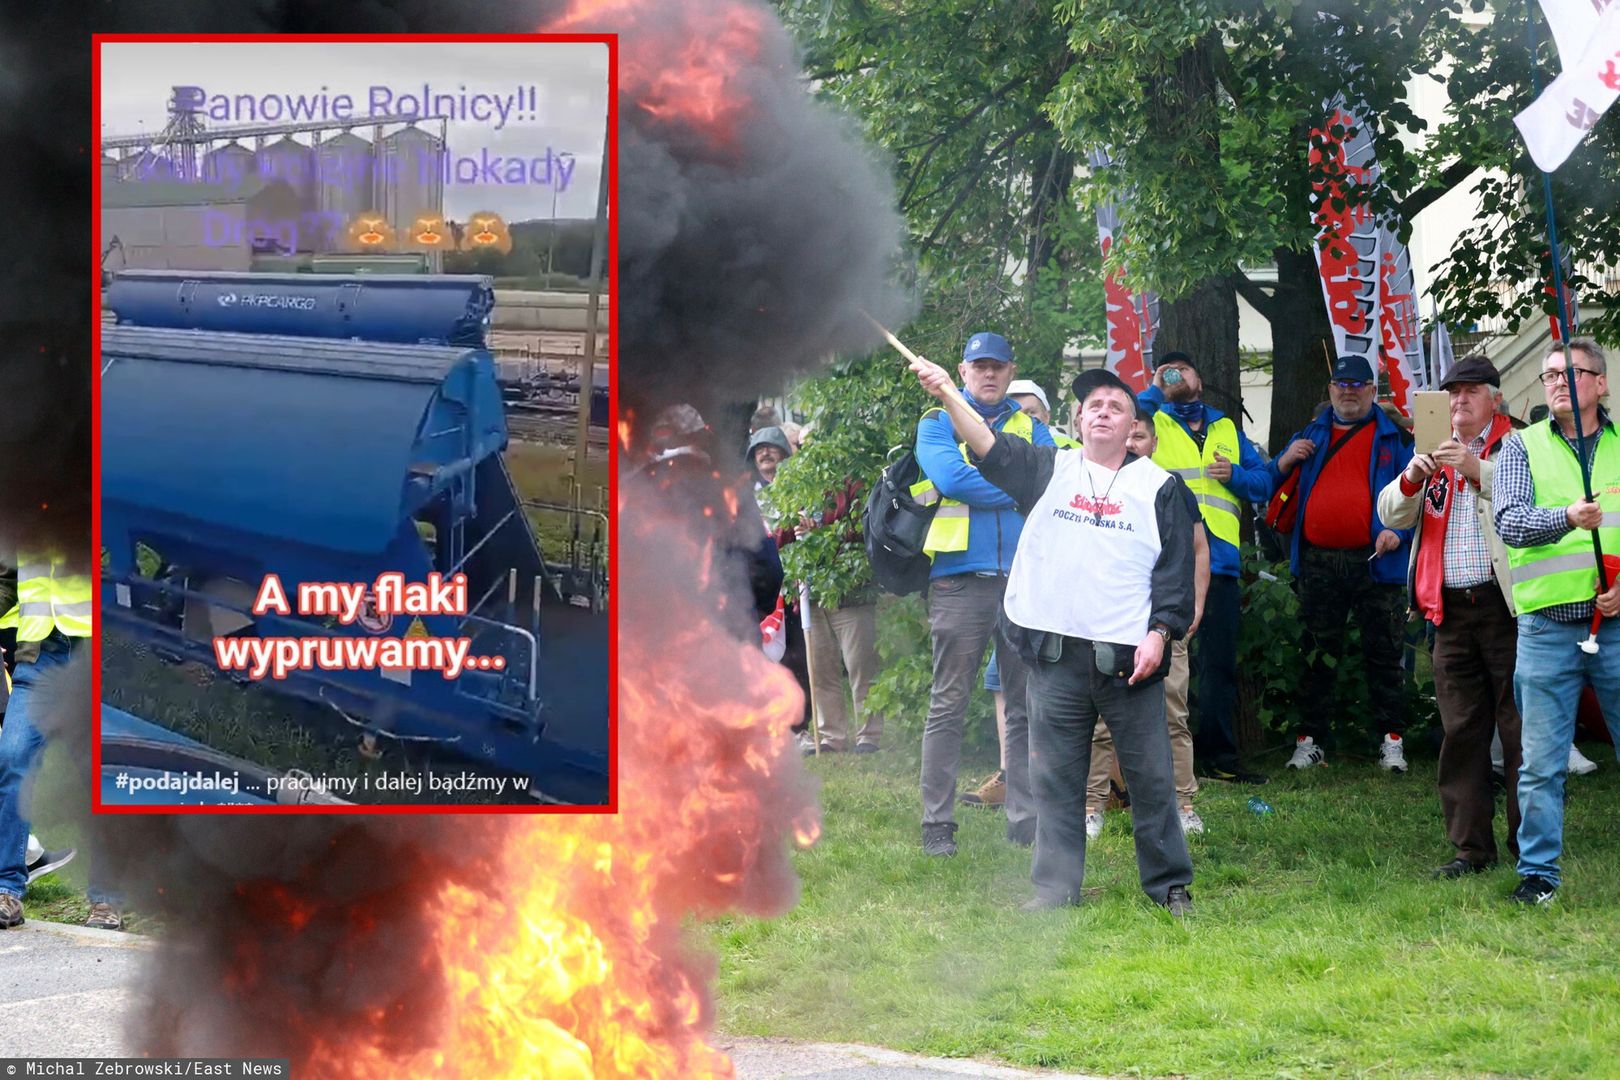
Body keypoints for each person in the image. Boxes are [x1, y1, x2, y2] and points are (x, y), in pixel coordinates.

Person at [910, 357, 1197, 914]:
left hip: (1128, 661)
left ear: (1132, 424)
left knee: (1151, 778)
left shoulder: (1159, 488)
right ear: (1080, 419)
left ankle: (1169, 887)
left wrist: (1161, 633)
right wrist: (947, 391)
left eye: (1116, 407)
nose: (1104, 414)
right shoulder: (1049, 469)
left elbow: (1174, 574)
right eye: (1094, 406)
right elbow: (989, 445)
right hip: (1056, 657)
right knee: (1055, 779)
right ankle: (1054, 887)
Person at [1377, 356, 1522, 877]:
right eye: (1451, 393)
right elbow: (1389, 512)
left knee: (1520, 728)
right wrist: (1414, 475)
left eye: (1471, 392)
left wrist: (1474, 468)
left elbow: (1537, 503)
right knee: (1460, 731)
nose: (1459, 401)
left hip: (1508, 607)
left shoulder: (1520, 442)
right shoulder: (1429, 449)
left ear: (1495, 399)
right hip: (1449, 610)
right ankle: (1471, 850)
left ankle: (1532, 843)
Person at [912, 332, 1055, 855]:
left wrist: (1022, 483)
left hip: (1023, 581)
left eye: (998, 367)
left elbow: (1051, 484)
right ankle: (937, 825)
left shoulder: (1032, 426)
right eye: (979, 367)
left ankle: (1024, 819)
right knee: (948, 704)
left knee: (1023, 707)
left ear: (1010, 370)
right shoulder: (936, 421)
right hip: (959, 581)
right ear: (962, 371)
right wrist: (1019, 485)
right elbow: (951, 479)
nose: (989, 374)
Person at [1493, 338, 1620, 905]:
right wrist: (1567, 517)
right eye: (1549, 375)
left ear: (1602, 383)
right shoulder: (1519, 449)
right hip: (1546, 629)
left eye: (1572, 373)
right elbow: (1512, 522)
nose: (1558, 382)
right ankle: (1539, 875)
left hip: (1615, 626)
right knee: (1541, 762)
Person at [1271, 354, 1415, 771]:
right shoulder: (1310, 435)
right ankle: (1311, 739)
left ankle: (1391, 740)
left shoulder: (1395, 439)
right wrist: (1285, 459)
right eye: (1341, 385)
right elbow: (1270, 480)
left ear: (1372, 391)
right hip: (1318, 563)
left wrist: (1399, 533)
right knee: (1316, 652)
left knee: (1385, 655)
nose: (1348, 392)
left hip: (1376, 562)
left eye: (1357, 386)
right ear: (1330, 390)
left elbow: (1415, 496)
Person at [1138, 351, 1273, 784]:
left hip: (1222, 566)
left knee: (1216, 666)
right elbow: (1129, 424)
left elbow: (1265, 482)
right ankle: (1160, 759)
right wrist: (1157, 389)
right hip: (1165, 564)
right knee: (1160, 664)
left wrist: (1234, 474)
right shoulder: (1152, 418)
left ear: (1201, 376)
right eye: (1167, 370)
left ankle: (1218, 758)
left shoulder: (1226, 426)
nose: (1177, 375)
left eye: (1184, 369)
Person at [1087, 414, 1209, 837]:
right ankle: (1092, 806)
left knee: (1174, 714)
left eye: (1141, 436)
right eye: (1130, 435)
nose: (1134, 442)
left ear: (1154, 444)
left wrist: (1193, 609)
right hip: (1110, 624)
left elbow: (1198, 549)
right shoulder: (1094, 487)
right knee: (1099, 720)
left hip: (1163, 623)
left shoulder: (1171, 487)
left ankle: (1183, 804)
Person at [0, 553, 95, 929]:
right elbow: (6, 581)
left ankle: (106, 900)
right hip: (38, 654)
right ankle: (7, 889)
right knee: (11, 758)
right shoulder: (28, 509)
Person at [779, 478, 884, 754]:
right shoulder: (797, 487)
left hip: (849, 592)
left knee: (861, 665)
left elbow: (863, 526)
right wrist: (792, 524)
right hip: (810, 594)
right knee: (821, 668)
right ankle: (830, 737)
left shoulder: (853, 481)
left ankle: (869, 736)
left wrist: (822, 530)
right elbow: (780, 539)